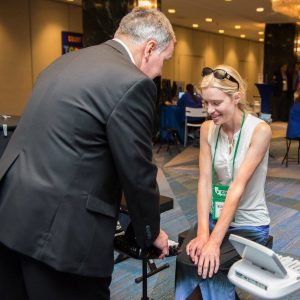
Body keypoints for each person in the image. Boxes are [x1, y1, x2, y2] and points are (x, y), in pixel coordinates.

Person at [0, 8, 175, 300]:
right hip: (60, 239)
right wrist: (151, 233)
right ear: (149, 48)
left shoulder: (64, 62)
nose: (159, 72)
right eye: (163, 61)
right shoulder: (132, 83)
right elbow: (138, 173)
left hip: (11, 215)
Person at [175, 65, 272, 300]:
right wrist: (202, 234)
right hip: (215, 217)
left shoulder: (259, 131)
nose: (210, 110)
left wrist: (214, 242)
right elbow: (205, 183)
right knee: (187, 259)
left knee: (211, 265)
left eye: (216, 103)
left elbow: (237, 188)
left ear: (236, 97)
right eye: (206, 103)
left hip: (249, 223)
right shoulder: (208, 129)